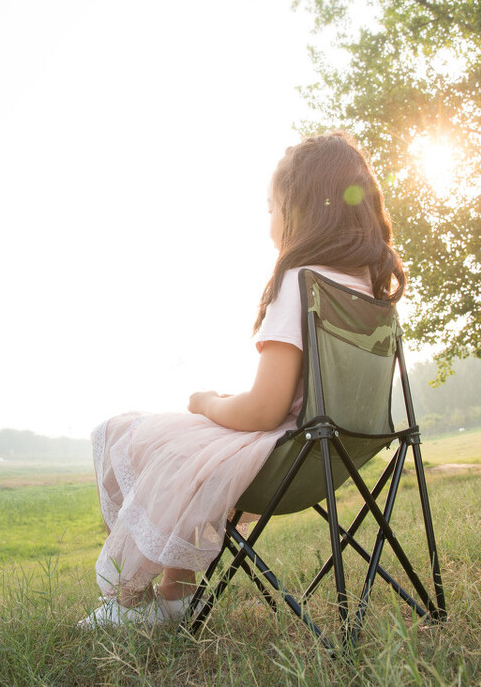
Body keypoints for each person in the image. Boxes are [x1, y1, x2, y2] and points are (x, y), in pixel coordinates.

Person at [80, 131, 406, 628]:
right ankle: (174, 596)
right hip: (340, 454)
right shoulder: (367, 288)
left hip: (286, 457)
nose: (269, 222)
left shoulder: (300, 281)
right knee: (183, 452)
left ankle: (134, 602)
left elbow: (263, 411)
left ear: (301, 210)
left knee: (127, 432)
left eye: (271, 208)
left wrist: (209, 402)